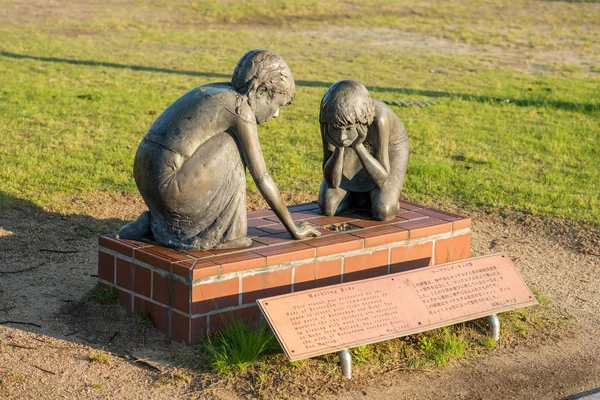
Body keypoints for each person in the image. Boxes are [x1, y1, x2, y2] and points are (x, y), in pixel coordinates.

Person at [118, 49, 320, 249]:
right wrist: (294, 229)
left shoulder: (216, 90)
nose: (275, 114)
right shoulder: (241, 109)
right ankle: (220, 236)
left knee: (224, 141)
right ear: (262, 91)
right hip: (169, 186)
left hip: (147, 177)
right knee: (232, 146)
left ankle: (157, 223)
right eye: (277, 105)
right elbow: (262, 176)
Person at [318, 80, 409, 221]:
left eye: (348, 129)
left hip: (390, 149)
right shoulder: (328, 117)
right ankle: (358, 196)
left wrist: (359, 146)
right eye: (337, 129)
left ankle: (371, 195)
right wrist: (339, 149)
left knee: (383, 211)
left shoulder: (379, 119)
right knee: (328, 208)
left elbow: (382, 179)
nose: (342, 137)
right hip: (352, 144)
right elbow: (332, 181)